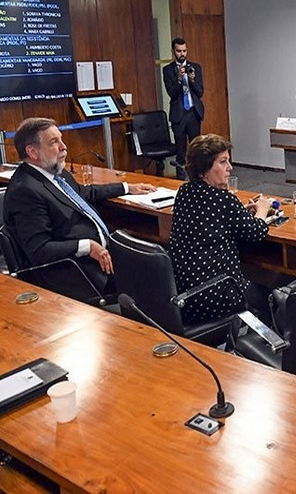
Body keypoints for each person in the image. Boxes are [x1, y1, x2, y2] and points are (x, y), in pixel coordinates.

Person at [3, 117, 156, 296]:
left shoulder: (54, 172)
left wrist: (127, 188)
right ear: (32, 152)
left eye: (61, 139)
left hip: (101, 255)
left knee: (157, 263)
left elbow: (83, 192)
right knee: (152, 277)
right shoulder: (25, 191)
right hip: (74, 270)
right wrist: (88, 246)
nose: (64, 147)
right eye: (54, 142)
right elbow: (39, 250)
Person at [169, 134, 276, 324]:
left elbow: (207, 220)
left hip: (184, 294)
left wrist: (239, 213)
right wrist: (262, 209)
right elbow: (256, 232)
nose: (230, 168)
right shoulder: (223, 200)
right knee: (272, 296)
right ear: (204, 170)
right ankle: (269, 347)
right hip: (216, 295)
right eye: (223, 162)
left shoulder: (184, 192)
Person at [163, 37, 204, 180]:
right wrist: (179, 79)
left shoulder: (195, 67)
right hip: (178, 114)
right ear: (173, 51)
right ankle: (180, 181)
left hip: (193, 112)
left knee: (197, 148)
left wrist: (192, 80)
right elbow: (172, 94)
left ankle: (198, 179)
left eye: (184, 51)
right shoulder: (168, 70)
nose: (182, 54)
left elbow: (200, 92)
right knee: (180, 150)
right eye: (179, 51)